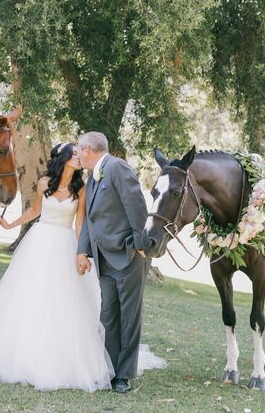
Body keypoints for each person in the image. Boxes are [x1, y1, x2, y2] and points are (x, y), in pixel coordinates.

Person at [0, 142, 114, 391]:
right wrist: (11, 224)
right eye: (75, 154)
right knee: (32, 296)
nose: (80, 158)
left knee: (65, 300)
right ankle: (24, 354)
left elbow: (79, 225)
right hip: (40, 242)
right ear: (64, 157)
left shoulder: (82, 188)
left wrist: (82, 253)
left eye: (81, 154)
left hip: (65, 243)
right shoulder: (45, 182)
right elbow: (35, 210)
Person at [77, 132, 165, 393]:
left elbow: (137, 208)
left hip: (127, 256)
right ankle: (108, 369)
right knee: (108, 317)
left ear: (89, 149)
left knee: (129, 318)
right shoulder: (93, 177)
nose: (78, 155)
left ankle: (123, 376)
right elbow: (90, 221)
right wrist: (83, 251)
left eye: (79, 150)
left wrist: (140, 246)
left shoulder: (117, 168)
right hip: (104, 259)